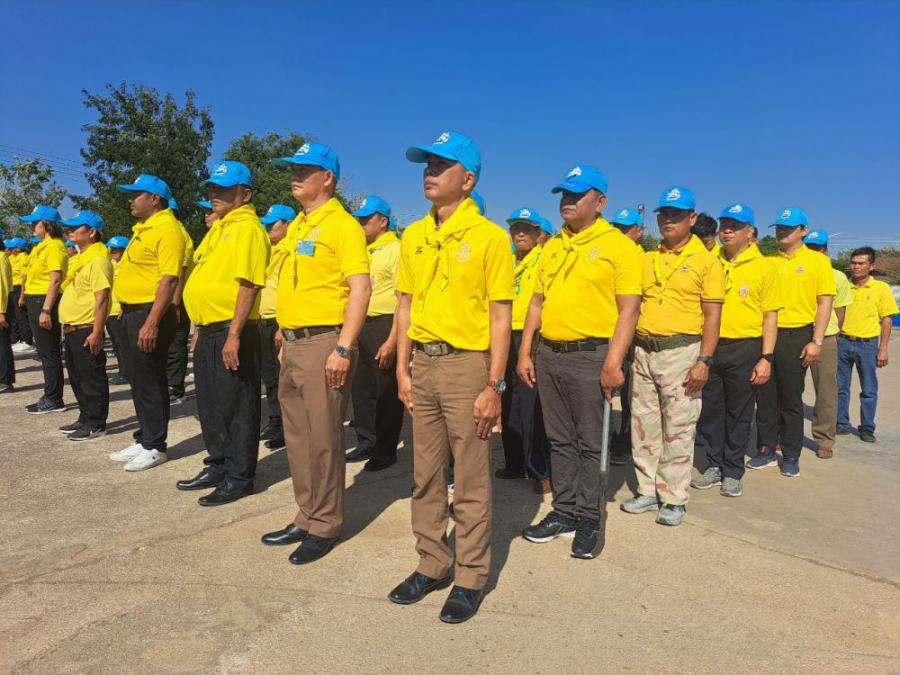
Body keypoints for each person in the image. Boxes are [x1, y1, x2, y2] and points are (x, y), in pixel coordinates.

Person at [387, 130, 513, 624]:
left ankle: (471, 575)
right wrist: (403, 368)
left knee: (472, 476)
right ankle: (432, 561)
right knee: (425, 473)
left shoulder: (490, 238)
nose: (429, 172)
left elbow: (500, 315)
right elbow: (404, 304)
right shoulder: (414, 236)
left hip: (466, 367)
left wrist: (494, 385)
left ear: (468, 180)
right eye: (427, 164)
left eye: (441, 165)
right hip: (423, 364)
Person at [518, 166, 642, 555]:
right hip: (549, 355)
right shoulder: (553, 246)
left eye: (576, 195)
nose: (567, 202)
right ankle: (564, 510)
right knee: (559, 440)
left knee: (590, 442)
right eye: (564, 195)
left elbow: (629, 310)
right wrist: (525, 351)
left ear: (600, 202)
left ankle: (589, 518)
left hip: (592, 357)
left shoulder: (619, 247)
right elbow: (536, 303)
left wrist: (614, 362)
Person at [259, 142, 371, 565]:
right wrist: (285, 333)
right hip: (293, 343)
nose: (295, 176)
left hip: (325, 342)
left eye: (304, 170)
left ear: (327, 178)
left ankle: (325, 524)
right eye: (292, 169)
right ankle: (305, 514)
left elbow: (360, 288)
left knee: (323, 439)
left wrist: (344, 347)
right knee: (298, 438)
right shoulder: (300, 226)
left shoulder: (341, 225)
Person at [620, 186, 724, 526]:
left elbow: (712, 316)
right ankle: (647, 490)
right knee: (643, 425)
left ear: (691, 218)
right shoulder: (647, 259)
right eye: (663, 214)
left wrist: (704, 361)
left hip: (682, 352)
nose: (668, 220)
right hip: (644, 350)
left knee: (678, 428)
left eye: (676, 214)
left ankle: (674, 497)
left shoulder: (707, 261)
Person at [178, 161, 271, 505]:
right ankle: (218, 463)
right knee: (212, 405)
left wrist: (233, 334)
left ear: (244, 194)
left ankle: (239, 476)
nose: (215, 194)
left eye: (224, 189)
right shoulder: (220, 228)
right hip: (209, 329)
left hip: (233, 329)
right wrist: (199, 328)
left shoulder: (248, 229)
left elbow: (248, 284)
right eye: (213, 188)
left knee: (237, 406)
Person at [691, 204, 779, 497]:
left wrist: (766, 357)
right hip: (710, 346)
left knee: (739, 412)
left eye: (735, 226)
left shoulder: (764, 266)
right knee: (711, 410)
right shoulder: (709, 261)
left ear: (750, 231)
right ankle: (714, 465)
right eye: (725, 225)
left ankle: (732, 470)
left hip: (745, 347)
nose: (727, 231)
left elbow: (770, 316)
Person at [107, 174, 186, 471]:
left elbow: (169, 279)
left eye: (136, 194)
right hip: (132, 312)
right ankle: (144, 438)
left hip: (149, 312)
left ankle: (155, 445)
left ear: (154, 199)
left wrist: (152, 322)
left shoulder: (168, 229)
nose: (131, 200)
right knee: (137, 378)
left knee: (151, 379)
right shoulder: (143, 229)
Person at [748, 208, 835, 477]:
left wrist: (816, 340)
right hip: (765, 334)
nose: (782, 232)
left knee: (790, 397)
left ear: (803, 231)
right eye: (779, 227)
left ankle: (791, 453)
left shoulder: (817, 261)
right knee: (764, 396)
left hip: (796, 335)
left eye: (788, 227)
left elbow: (825, 302)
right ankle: (765, 448)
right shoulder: (767, 262)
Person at [346, 195, 405, 472]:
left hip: (385, 323)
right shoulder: (362, 250)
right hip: (361, 324)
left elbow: (403, 298)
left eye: (366, 220)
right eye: (358, 220)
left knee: (386, 390)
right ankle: (366, 440)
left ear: (383, 221)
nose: (361, 225)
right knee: (361, 388)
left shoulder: (396, 249)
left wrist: (393, 339)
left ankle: (385, 448)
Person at [496, 206, 552, 495]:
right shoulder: (506, 260)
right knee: (507, 400)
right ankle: (514, 462)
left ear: (537, 233)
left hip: (532, 336)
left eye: (526, 229)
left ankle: (539, 469)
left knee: (532, 405)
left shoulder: (544, 259)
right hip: (505, 334)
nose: (520, 233)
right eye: (515, 228)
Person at [57, 212, 113, 441]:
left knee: (91, 378)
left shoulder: (98, 260)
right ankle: (85, 417)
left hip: (86, 328)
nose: (70, 231)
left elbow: (102, 298)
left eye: (76, 227)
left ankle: (96, 423)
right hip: (72, 328)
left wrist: (97, 332)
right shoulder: (82, 258)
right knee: (78, 377)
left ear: (91, 232)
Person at [837, 246, 899, 442]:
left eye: (861, 263)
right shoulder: (844, 286)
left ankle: (867, 427)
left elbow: (887, 319)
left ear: (871, 266)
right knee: (840, 387)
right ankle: (841, 422)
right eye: (853, 263)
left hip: (867, 345)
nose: (856, 267)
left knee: (869, 388)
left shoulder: (881, 288)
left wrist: (883, 349)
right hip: (843, 342)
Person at [803, 229, 852, 458]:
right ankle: (783, 435)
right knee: (789, 388)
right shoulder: (798, 271)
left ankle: (824, 439)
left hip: (826, 337)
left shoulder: (837, 277)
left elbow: (840, 310)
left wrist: (829, 333)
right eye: (810, 247)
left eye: (818, 248)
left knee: (825, 390)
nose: (814, 252)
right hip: (797, 332)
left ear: (825, 249)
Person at [19, 205, 68, 414]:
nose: (32, 226)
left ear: (47, 225)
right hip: (36, 300)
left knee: (49, 352)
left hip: (44, 301)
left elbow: (55, 280)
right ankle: (50, 394)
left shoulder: (54, 246)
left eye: (35, 222)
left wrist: (46, 310)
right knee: (44, 351)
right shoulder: (41, 246)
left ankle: (54, 398)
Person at [257, 203, 296, 452]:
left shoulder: (291, 250)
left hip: (278, 321)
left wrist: (282, 326)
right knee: (270, 376)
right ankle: (275, 420)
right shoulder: (269, 250)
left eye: (273, 224)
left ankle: (286, 426)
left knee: (284, 378)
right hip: (263, 319)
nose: (268, 228)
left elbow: (289, 291)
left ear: (288, 224)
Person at [608, 207, 645, 464]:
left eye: (626, 229)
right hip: (608, 331)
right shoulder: (611, 255)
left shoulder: (642, 259)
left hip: (632, 333)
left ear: (639, 231)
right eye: (617, 228)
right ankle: (610, 437)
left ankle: (626, 439)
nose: (620, 233)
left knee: (631, 392)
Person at [166, 198, 196, 404]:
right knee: (167, 345)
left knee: (175, 344)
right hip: (165, 300)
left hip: (175, 301)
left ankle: (175, 388)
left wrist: (175, 305)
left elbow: (180, 273)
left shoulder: (177, 233)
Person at [105, 236, 129, 385]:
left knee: (123, 344)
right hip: (110, 310)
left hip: (120, 310)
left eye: (115, 249)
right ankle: (122, 371)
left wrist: (124, 306)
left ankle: (126, 373)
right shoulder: (111, 264)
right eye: (111, 249)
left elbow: (129, 287)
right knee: (116, 344)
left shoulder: (128, 265)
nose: (112, 252)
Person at [5, 237, 33, 353]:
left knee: (21, 316)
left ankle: (27, 341)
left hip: (19, 288)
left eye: (12, 247)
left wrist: (22, 295)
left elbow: (24, 278)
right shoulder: (11, 257)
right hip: (11, 288)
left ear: (18, 248)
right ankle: (15, 339)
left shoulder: (24, 258)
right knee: (14, 316)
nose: (9, 249)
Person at [0, 239, 13, 393]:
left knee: (2, 345)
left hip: (1, 305)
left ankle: (5, 381)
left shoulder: (1, 256)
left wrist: (1, 312)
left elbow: (2, 286)